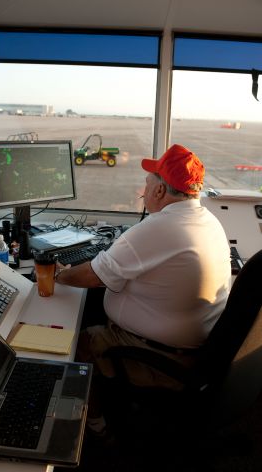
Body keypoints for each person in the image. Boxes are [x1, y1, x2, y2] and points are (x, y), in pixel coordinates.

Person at [55, 143, 231, 438]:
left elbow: (92, 276)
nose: (144, 187)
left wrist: (59, 275)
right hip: (197, 351)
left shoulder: (159, 227)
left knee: (74, 345)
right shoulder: (207, 220)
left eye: (148, 182)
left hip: (162, 360)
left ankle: (95, 426)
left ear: (161, 191)